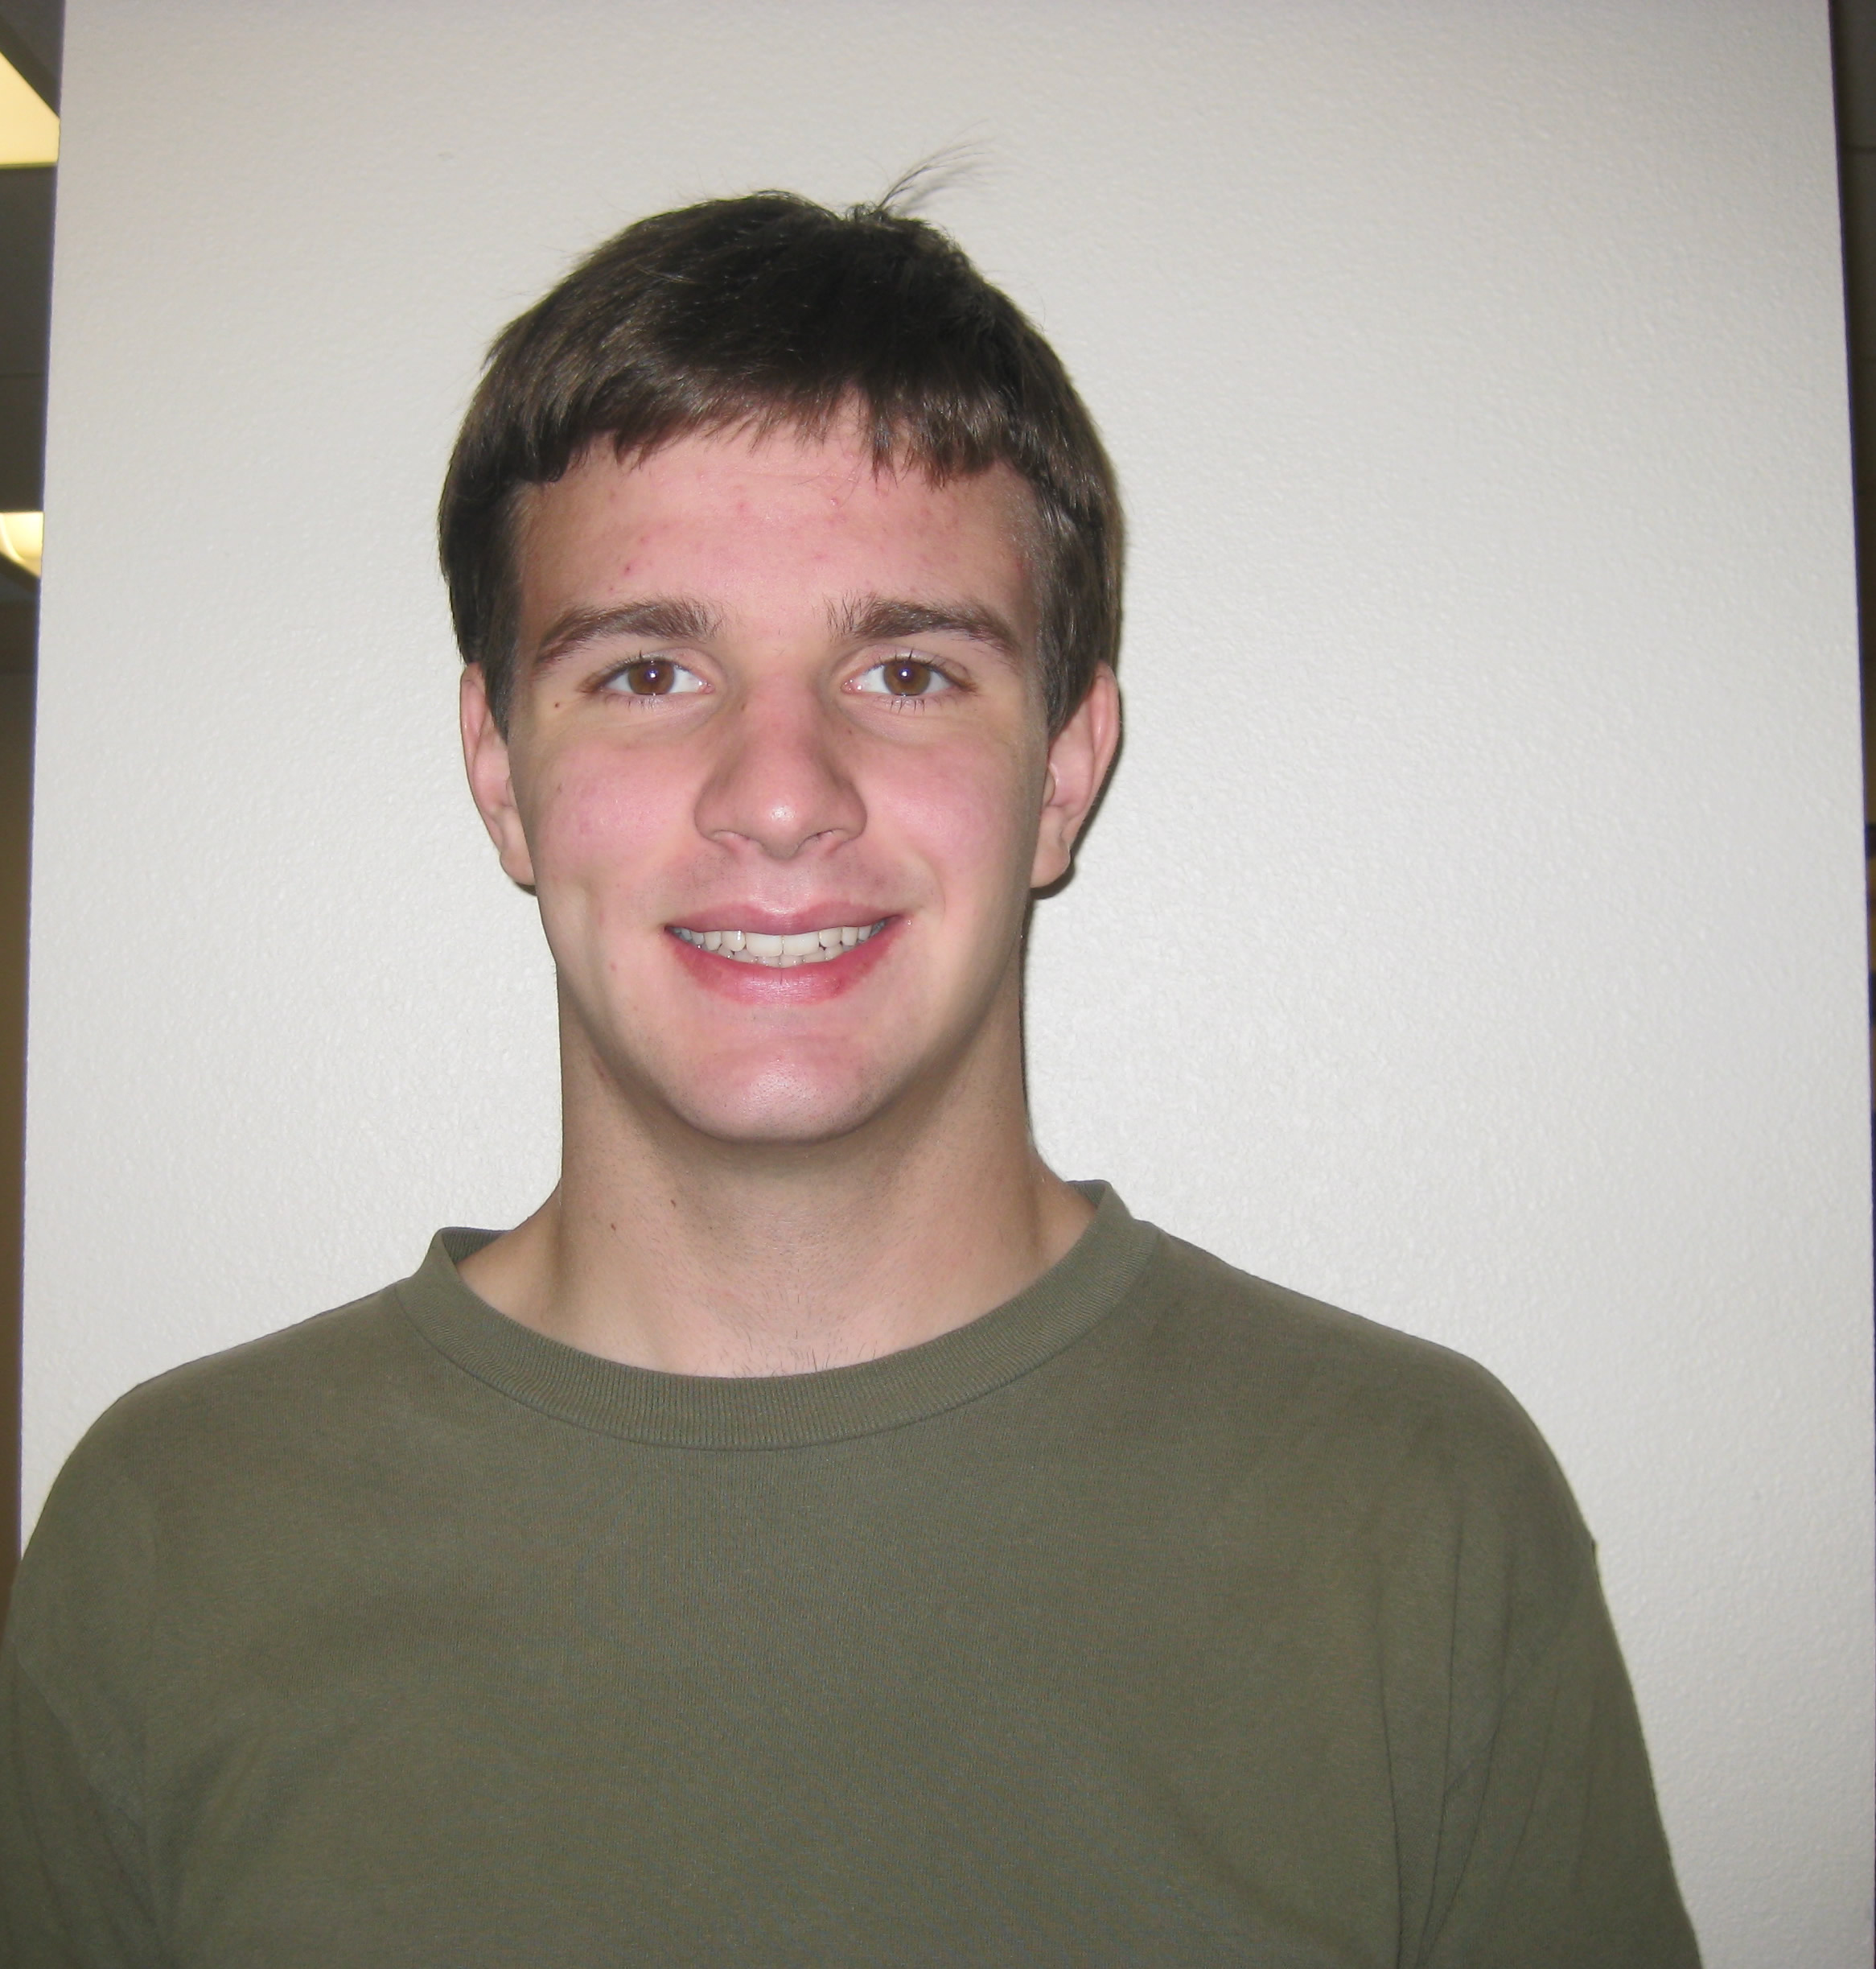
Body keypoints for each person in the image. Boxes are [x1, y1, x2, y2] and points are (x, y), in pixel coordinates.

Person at [0, 189, 1700, 1966]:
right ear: (500, 772)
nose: (781, 791)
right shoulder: (173, 1542)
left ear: (1062, 772)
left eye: (905, 668)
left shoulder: (1413, 1521)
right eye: (647, 669)